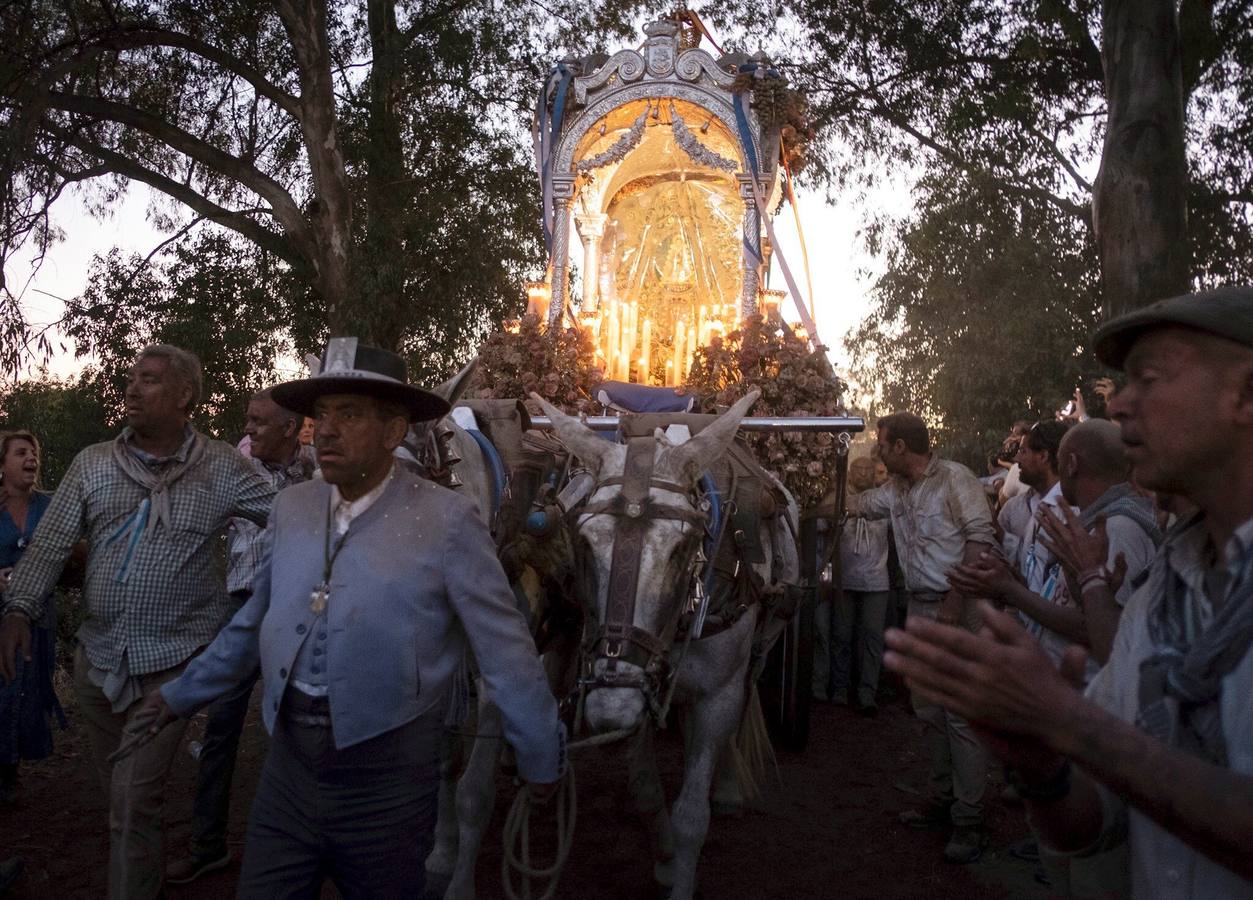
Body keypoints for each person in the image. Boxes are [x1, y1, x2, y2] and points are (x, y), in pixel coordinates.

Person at [122, 338, 564, 899]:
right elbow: (253, 622)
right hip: (287, 772)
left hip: (389, 779)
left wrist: (540, 753)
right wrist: (178, 695)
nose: (325, 431)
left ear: (394, 430)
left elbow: (505, 651)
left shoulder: (448, 521)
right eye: (322, 414)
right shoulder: (292, 507)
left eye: (349, 414)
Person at [884, 285, 1253, 898]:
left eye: (1149, 379)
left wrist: (1068, 723)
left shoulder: (1126, 546)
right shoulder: (1167, 587)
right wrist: (1041, 763)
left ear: (1245, 393)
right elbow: (1097, 823)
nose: (1122, 404)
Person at [0, 344, 277, 900]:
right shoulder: (93, 462)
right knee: (124, 802)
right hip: (97, 663)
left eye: (148, 380)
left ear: (184, 396)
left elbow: (290, 516)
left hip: (175, 666)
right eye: (131, 378)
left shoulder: (223, 466)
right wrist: (19, 608)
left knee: (131, 801)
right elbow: (51, 544)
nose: (131, 389)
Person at [166, 389, 316, 885]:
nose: (248, 429)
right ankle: (207, 844)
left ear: (290, 428)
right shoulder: (232, 469)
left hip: (303, 609)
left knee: (300, 722)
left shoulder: (318, 469)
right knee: (222, 723)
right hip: (244, 606)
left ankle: (306, 847)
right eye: (248, 420)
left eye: (258, 421)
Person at [848, 411, 998, 863]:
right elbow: (856, 505)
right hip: (921, 607)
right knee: (929, 709)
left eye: (882, 444)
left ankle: (969, 820)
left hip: (959, 608)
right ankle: (943, 799)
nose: (877, 452)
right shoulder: (896, 490)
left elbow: (980, 540)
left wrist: (955, 600)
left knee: (961, 715)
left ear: (900, 447)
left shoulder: (955, 479)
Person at [0, 431, 64, 806]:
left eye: (34, 452)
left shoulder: (51, 506)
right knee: (5, 686)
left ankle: (10, 770)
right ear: (2, 464)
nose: (31, 459)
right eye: (21, 452)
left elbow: (70, 550)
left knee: (28, 690)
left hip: (40, 615)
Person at [831, 456, 891, 714]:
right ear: (850, 472)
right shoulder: (838, 500)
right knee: (841, 635)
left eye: (868, 470)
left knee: (873, 638)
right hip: (845, 578)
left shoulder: (885, 500)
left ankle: (868, 692)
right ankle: (840, 688)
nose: (864, 474)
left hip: (877, 580)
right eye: (859, 469)